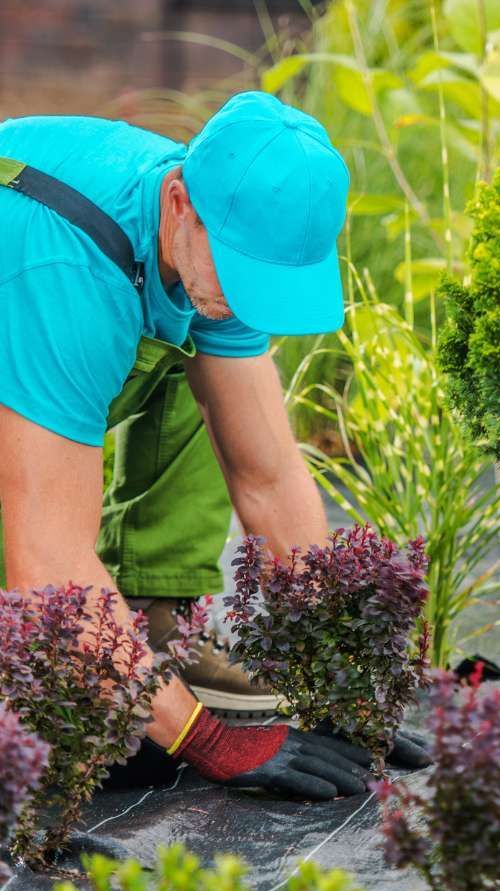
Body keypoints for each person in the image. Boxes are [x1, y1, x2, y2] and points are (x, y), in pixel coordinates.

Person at [0, 90, 428, 800]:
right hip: (27, 292)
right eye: (241, 275)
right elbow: (49, 563)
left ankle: (149, 625)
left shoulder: (211, 245)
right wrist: (208, 740)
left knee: (210, 377)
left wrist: (339, 687)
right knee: (38, 692)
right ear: (178, 205)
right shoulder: (64, 271)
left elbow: (269, 477)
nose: (246, 299)